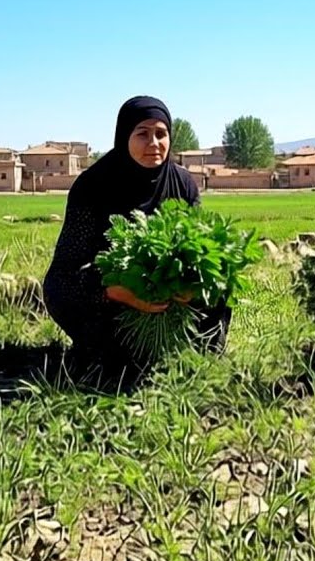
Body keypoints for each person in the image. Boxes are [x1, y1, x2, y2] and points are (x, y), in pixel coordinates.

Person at [42, 95, 231, 387]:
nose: (154, 143)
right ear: (124, 136)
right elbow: (68, 266)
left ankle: (198, 355)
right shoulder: (93, 186)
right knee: (60, 288)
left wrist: (189, 284)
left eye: (161, 134)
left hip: (172, 301)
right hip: (113, 298)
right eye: (142, 134)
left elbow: (196, 247)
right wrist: (118, 292)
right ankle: (103, 357)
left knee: (221, 280)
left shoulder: (182, 184)